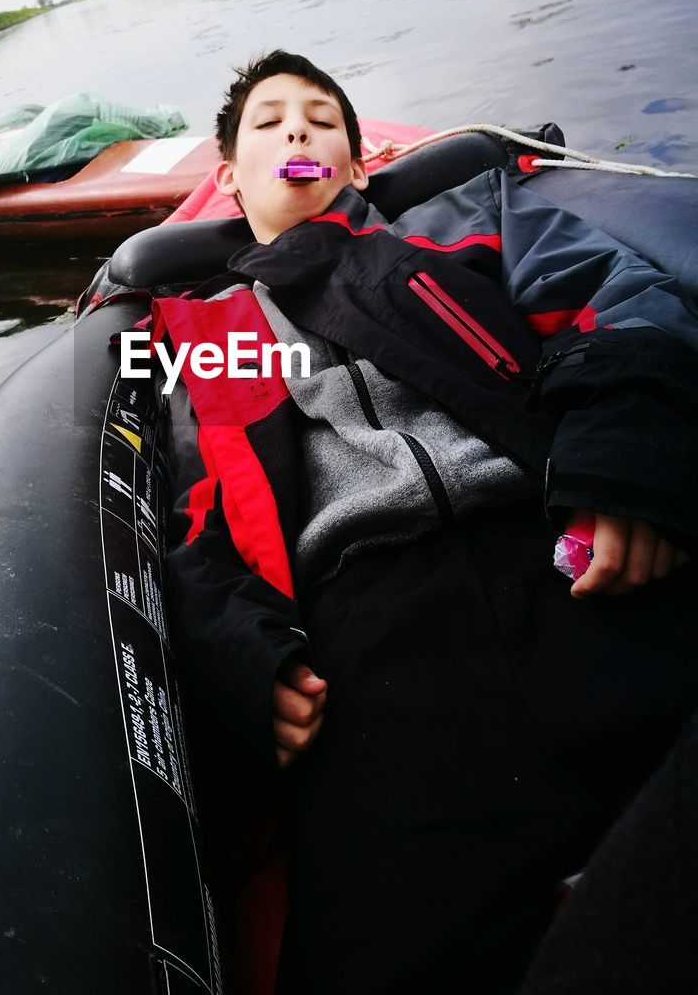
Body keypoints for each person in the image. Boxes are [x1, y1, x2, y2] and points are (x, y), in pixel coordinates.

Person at [148, 51, 698, 994]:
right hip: (371, 650)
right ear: (229, 181)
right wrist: (243, 658)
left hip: (568, 551)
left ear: (360, 166)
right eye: (269, 123)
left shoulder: (465, 222)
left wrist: (622, 460)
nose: (297, 132)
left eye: (321, 121)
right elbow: (194, 526)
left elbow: (622, 303)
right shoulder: (204, 333)